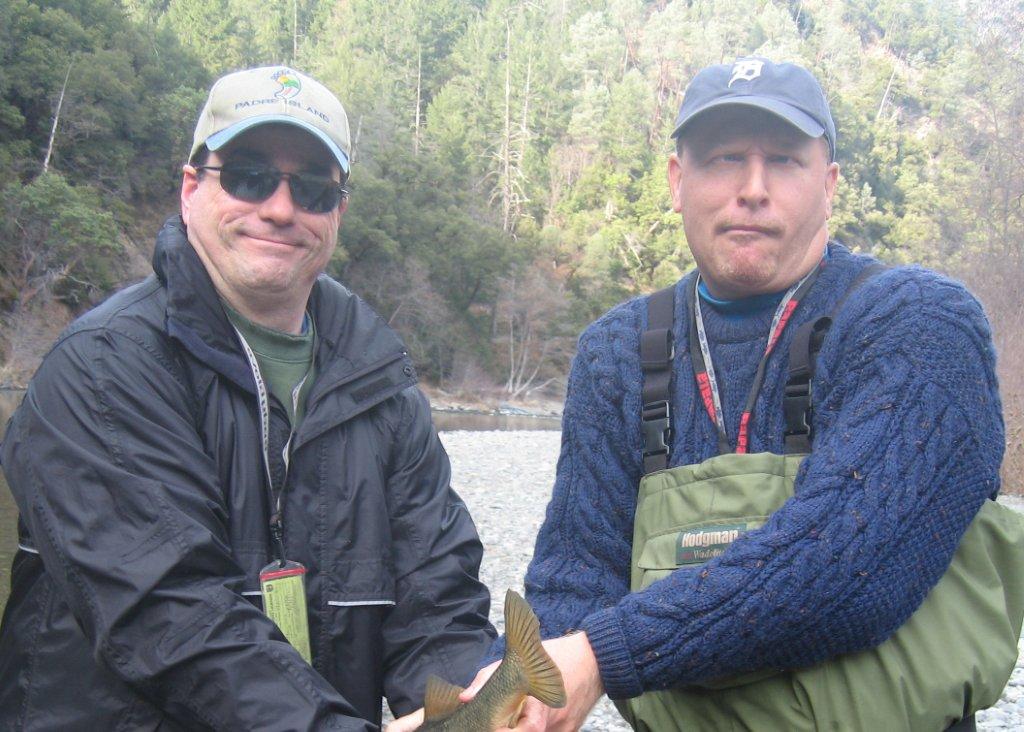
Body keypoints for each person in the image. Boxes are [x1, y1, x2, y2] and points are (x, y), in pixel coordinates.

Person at [392, 57, 1024, 731]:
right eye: (724, 159)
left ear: (830, 185)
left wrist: (601, 655)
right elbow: (577, 583)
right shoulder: (616, 352)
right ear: (676, 181)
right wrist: (491, 697)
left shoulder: (922, 324)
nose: (752, 188)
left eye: (783, 160)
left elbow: (845, 565)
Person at [0, 66, 494, 730]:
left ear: (338, 212)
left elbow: (436, 604)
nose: (281, 209)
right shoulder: (101, 367)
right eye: (248, 176)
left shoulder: (383, 386)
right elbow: (172, 617)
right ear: (190, 188)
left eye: (313, 188)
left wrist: (475, 699)